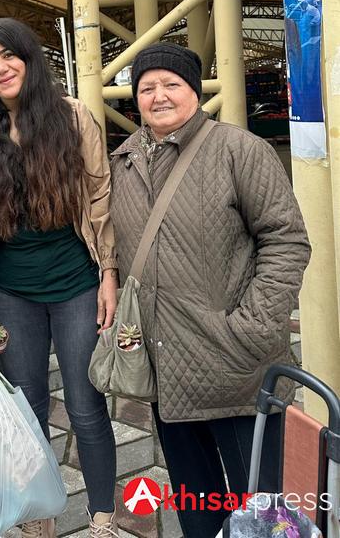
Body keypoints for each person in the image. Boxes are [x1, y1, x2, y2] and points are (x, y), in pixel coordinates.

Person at [109, 43, 311, 538]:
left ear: (195, 92)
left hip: (235, 368)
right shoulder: (125, 160)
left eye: (171, 84)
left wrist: (252, 327)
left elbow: (286, 240)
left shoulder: (240, 150)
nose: (158, 95)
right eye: (147, 87)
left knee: (258, 512)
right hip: (166, 371)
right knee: (197, 507)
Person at [0, 18, 119, 538]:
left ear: (29, 57)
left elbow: (100, 196)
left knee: (86, 405)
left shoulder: (73, 116)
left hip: (76, 282)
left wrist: (108, 273)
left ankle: (103, 516)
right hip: (11, 290)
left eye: (8, 55)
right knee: (25, 407)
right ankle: (37, 513)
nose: (0, 68)